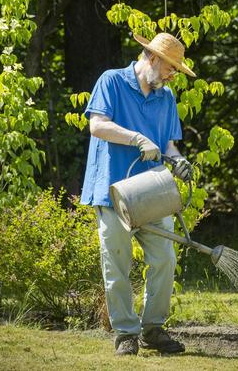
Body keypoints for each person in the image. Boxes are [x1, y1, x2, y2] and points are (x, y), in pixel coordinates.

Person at [80, 32, 194, 356]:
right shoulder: (111, 82)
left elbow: (169, 145)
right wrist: (136, 138)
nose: (173, 74)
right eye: (171, 67)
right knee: (117, 264)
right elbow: (97, 126)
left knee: (164, 258)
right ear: (152, 57)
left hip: (152, 190)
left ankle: (153, 329)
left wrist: (179, 161)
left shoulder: (166, 97)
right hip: (113, 190)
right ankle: (126, 334)